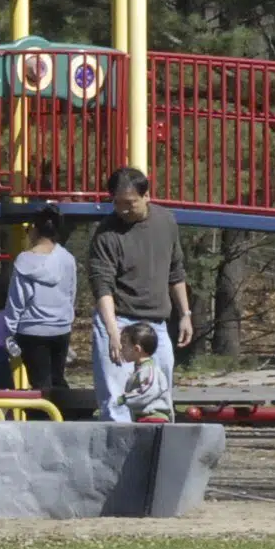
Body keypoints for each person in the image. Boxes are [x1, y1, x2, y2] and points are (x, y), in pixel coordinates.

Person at [90, 165, 190, 423]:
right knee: (116, 396)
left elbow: (175, 271)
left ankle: (159, 447)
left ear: (146, 196)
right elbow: (102, 285)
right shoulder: (106, 233)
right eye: (117, 203)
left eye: (130, 203)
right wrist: (113, 332)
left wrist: (185, 314)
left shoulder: (166, 221)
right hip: (119, 319)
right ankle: (117, 452)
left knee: (159, 393)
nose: (123, 209)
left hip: (155, 322)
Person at [6, 205, 78, 398]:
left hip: (32, 329)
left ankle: (41, 423)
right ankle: (66, 418)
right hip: (61, 327)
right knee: (57, 379)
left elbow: (18, 299)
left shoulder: (24, 261)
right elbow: (71, 293)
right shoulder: (67, 258)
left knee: (39, 384)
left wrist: (10, 329)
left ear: (34, 230)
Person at [118, 322, 174, 422]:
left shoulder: (148, 370)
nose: (121, 349)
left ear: (136, 349)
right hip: (145, 417)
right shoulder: (141, 369)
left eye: (124, 346)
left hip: (153, 417)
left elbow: (147, 391)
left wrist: (125, 398)